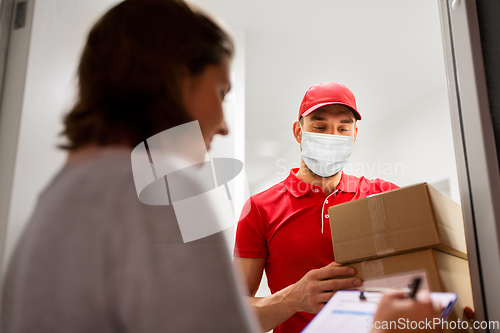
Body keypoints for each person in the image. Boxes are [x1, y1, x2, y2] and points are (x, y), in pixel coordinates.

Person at [1, 1, 259, 332]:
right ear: (179, 79)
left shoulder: (60, 191)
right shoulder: (160, 189)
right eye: (221, 91)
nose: (224, 126)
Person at [233, 81, 400, 332]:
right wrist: (293, 299)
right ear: (299, 132)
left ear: (354, 135)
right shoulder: (259, 208)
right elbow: (231, 313)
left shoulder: (383, 195)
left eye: (343, 128)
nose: (331, 137)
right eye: (320, 127)